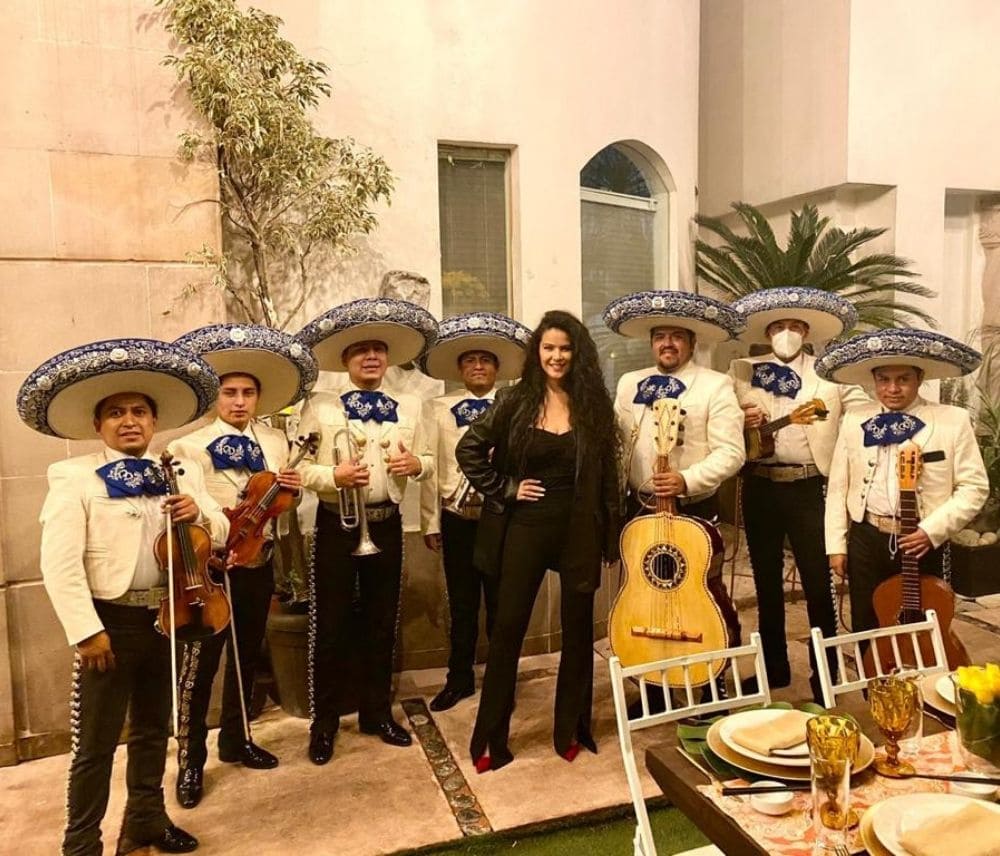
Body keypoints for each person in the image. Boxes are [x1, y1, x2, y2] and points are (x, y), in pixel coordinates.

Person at [17, 338, 227, 856]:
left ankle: (144, 825)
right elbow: (59, 563)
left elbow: (220, 529)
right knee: (94, 745)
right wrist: (86, 631)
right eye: (116, 413)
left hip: (167, 616)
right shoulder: (74, 477)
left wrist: (196, 515)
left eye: (139, 412)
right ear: (99, 426)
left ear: (154, 422)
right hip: (108, 624)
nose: (129, 421)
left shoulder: (177, 471)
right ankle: (81, 844)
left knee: (156, 730)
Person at [456, 310, 622, 771]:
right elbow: (468, 449)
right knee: (507, 630)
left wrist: (610, 539)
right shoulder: (515, 400)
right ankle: (491, 738)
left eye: (565, 348)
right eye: (548, 348)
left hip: (578, 529)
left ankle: (571, 729)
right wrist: (507, 488)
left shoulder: (593, 405)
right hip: (525, 527)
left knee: (578, 634)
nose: (556, 356)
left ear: (577, 354)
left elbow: (609, 476)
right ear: (537, 352)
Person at [167, 324, 318, 808]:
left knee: (247, 656)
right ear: (216, 397)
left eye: (247, 393)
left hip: (259, 562)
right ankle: (190, 760)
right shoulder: (188, 447)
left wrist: (288, 490)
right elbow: (189, 503)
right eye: (229, 392)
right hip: (211, 569)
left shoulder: (275, 442)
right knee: (200, 665)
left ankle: (237, 738)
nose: (239, 401)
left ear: (257, 398)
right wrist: (220, 538)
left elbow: (280, 507)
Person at [295, 297, 438, 765]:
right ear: (346, 360)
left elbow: (430, 461)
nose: (371, 357)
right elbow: (297, 470)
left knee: (381, 623)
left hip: (386, 524)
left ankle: (377, 713)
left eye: (379, 349)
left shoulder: (410, 406)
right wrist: (331, 478)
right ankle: (325, 723)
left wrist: (416, 464)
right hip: (337, 525)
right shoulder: (321, 406)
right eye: (361, 351)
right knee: (330, 626)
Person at [729, 288, 869, 697]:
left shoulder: (829, 374)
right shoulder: (743, 370)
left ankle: (824, 675)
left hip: (810, 486)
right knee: (766, 582)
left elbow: (860, 410)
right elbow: (720, 415)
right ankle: (774, 669)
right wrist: (743, 417)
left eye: (793, 326)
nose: (785, 333)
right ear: (766, 332)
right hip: (760, 485)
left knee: (817, 582)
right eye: (777, 327)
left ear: (806, 331)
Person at [604, 290, 746, 656]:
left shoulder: (715, 384)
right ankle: (650, 677)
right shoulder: (629, 383)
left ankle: (710, 676)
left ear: (691, 342)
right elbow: (617, 444)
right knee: (644, 593)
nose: (667, 344)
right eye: (660, 337)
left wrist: (687, 479)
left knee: (701, 592)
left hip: (695, 508)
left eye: (676, 336)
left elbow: (732, 452)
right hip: (639, 509)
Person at [818, 329, 989, 633]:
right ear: (874, 381)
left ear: (919, 379)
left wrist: (932, 530)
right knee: (866, 623)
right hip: (866, 537)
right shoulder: (855, 419)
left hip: (921, 542)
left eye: (903, 379)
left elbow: (974, 487)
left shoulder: (953, 420)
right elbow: (838, 486)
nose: (892, 388)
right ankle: (872, 680)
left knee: (924, 624)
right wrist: (836, 545)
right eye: (884, 379)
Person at [418, 312, 532, 712]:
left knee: (504, 603)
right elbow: (428, 466)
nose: (478, 366)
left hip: (502, 517)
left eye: (486, 360)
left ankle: (503, 681)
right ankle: (459, 678)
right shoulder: (437, 407)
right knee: (463, 605)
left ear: (497, 368)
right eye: (470, 360)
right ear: (459, 368)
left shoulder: (518, 406)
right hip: (457, 519)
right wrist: (430, 522)